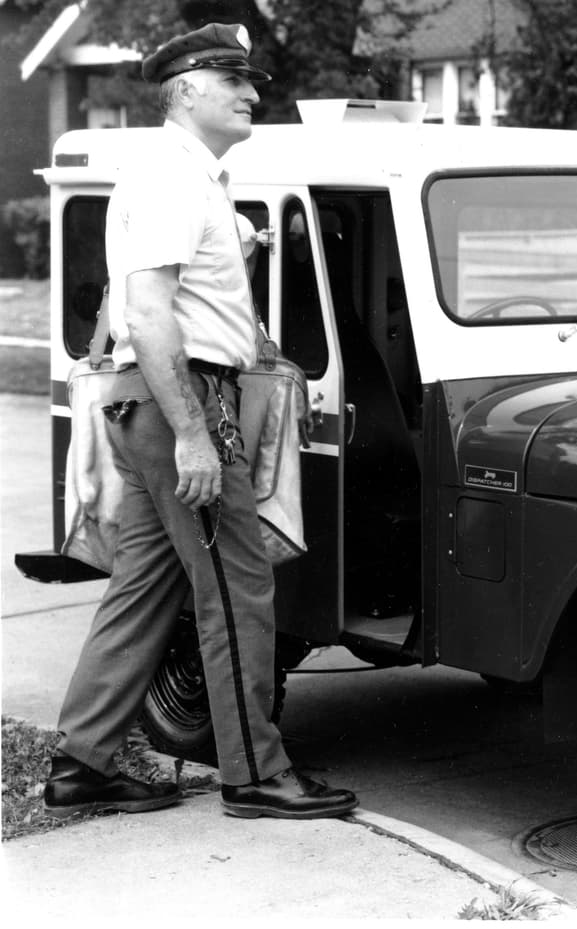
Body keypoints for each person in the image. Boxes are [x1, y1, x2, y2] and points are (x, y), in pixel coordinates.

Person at [44, 23, 358, 820]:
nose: (251, 94)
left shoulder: (189, 177)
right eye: (233, 81)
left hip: (152, 402)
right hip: (183, 402)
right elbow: (148, 314)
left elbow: (175, 296)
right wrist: (194, 434)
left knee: (144, 590)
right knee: (238, 589)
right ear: (185, 90)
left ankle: (82, 761)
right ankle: (256, 775)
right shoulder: (173, 177)